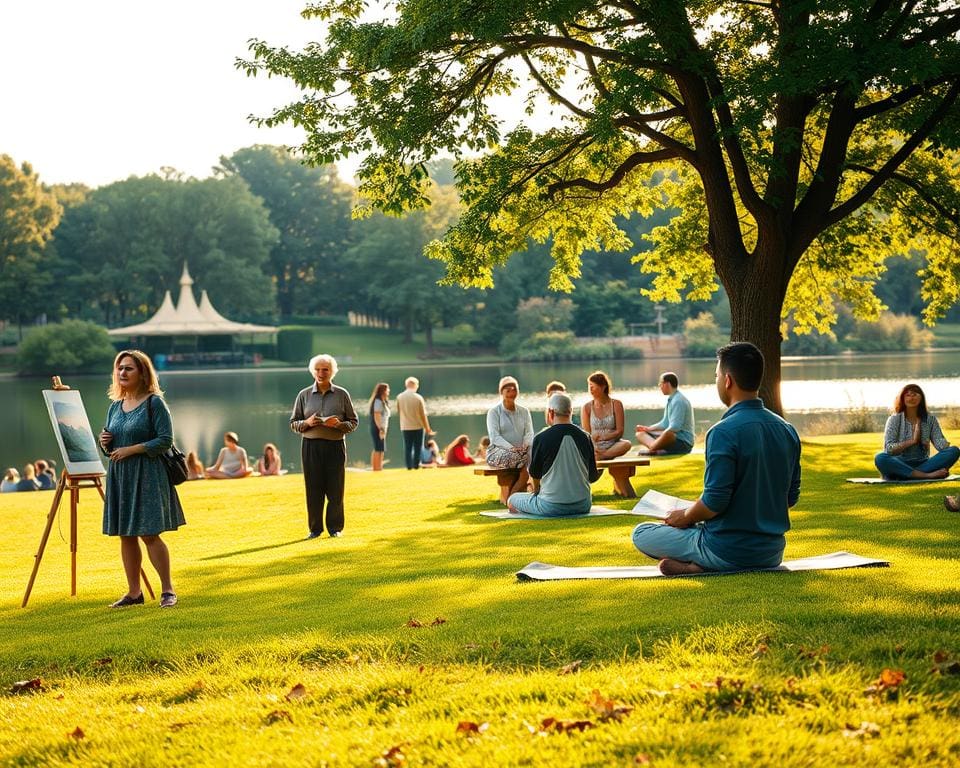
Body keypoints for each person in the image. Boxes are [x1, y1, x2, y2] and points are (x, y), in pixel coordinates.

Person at [632, 342, 801, 575]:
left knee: (641, 533)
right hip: (770, 553)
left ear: (728, 380)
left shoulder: (722, 432)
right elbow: (790, 498)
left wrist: (686, 516)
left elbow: (715, 501)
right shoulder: (787, 429)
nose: (717, 382)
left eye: (716, 376)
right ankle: (696, 566)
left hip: (725, 549)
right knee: (698, 522)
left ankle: (702, 564)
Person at [99, 349, 184, 608]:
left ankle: (168, 590)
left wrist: (132, 449)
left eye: (128, 368)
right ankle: (134, 593)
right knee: (126, 534)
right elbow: (111, 445)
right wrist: (106, 443)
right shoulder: (115, 406)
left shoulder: (154, 403)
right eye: (120, 368)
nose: (122, 372)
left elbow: (165, 440)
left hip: (147, 475)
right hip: (121, 476)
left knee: (149, 533)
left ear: (142, 373)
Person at [289, 353, 358, 538]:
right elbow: (294, 423)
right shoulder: (303, 395)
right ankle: (314, 529)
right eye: (318, 369)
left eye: (325, 369)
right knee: (313, 489)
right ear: (313, 371)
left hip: (335, 447)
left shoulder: (342, 394)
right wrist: (307, 423)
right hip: (310, 447)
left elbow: (353, 422)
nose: (321, 373)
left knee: (336, 490)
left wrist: (338, 425)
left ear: (332, 372)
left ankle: (335, 529)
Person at [507, 393, 601, 516]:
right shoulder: (585, 437)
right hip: (583, 505)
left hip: (550, 506)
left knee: (512, 500)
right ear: (571, 411)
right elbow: (592, 477)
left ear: (550, 412)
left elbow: (535, 475)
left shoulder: (541, 438)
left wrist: (536, 491)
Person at [874, 384, 959, 481]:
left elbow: (941, 446)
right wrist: (912, 441)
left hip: (924, 463)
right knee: (880, 457)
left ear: (921, 397)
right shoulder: (894, 419)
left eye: (914, 394)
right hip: (899, 462)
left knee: (954, 450)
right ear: (902, 399)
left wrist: (939, 444)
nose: (911, 398)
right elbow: (889, 449)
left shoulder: (930, 419)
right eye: (908, 395)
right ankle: (927, 476)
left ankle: (903, 475)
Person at [486, 375, 534, 498]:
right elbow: (495, 437)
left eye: (514, 390)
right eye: (508, 390)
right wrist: (512, 448)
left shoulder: (524, 411)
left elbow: (529, 433)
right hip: (497, 452)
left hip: (522, 452)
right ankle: (515, 496)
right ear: (501, 392)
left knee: (533, 455)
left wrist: (525, 444)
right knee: (524, 463)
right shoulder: (494, 412)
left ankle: (517, 495)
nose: (512, 393)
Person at [635, 372, 695, 455]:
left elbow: (675, 427)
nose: (660, 386)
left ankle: (653, 450)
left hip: (683, 443)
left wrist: (661, 435)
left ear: (667, 384)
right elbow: (665, 423)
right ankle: (657, 449)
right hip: (671, 439)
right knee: (640, 433)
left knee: (668, 434)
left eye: (661, 383)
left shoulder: (679, 401)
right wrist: (648, 429)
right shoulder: (671, 399)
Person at [581, 370, 632, 459]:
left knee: (627, 444)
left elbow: (620, 431)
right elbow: (587, 435)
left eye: (592, 386)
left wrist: (605, 437)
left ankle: (601, 456)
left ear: (603, 387)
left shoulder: (616, 404)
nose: (590, 390)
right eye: (589, 386)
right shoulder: (586, 407)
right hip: (594, 446)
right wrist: (594, 440)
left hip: (613, 445)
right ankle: (601, 455)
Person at [396, 377, 434, 470]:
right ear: (415, 385)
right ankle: (416, 466)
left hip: (405, 426)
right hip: (418, 426)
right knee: (418, 448)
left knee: (407, 447)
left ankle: (409, 466)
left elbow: (399, 411)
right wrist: (427, 428)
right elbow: (423, 415)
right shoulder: (418, 397)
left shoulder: (399, 397)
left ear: (406, 385)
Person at [368, 382, 390, 471]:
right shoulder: (378, 401)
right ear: (383, 391)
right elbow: (377, 416)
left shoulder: (382, 401)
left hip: (382, 427)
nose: (388, 391)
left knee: (381, 448)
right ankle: (376, 468)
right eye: (387, 389)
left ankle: (379, 467)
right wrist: (380, 428)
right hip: (377, 427)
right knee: (378, 447)